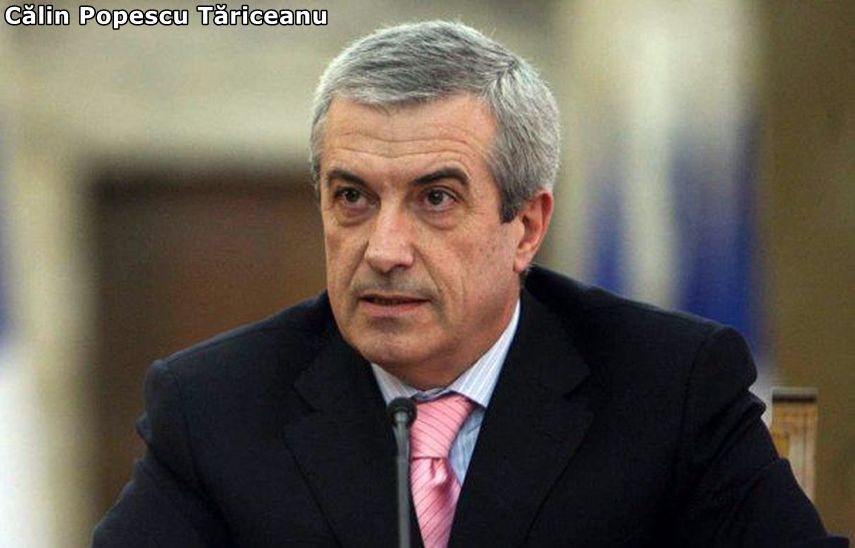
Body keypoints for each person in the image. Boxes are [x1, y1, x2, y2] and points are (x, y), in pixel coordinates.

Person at [93, 21, 846, 547]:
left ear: (526, 227)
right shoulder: (215, 407)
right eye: (352, 197)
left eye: (435, 198)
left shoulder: (669, 388)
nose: (384, 250)